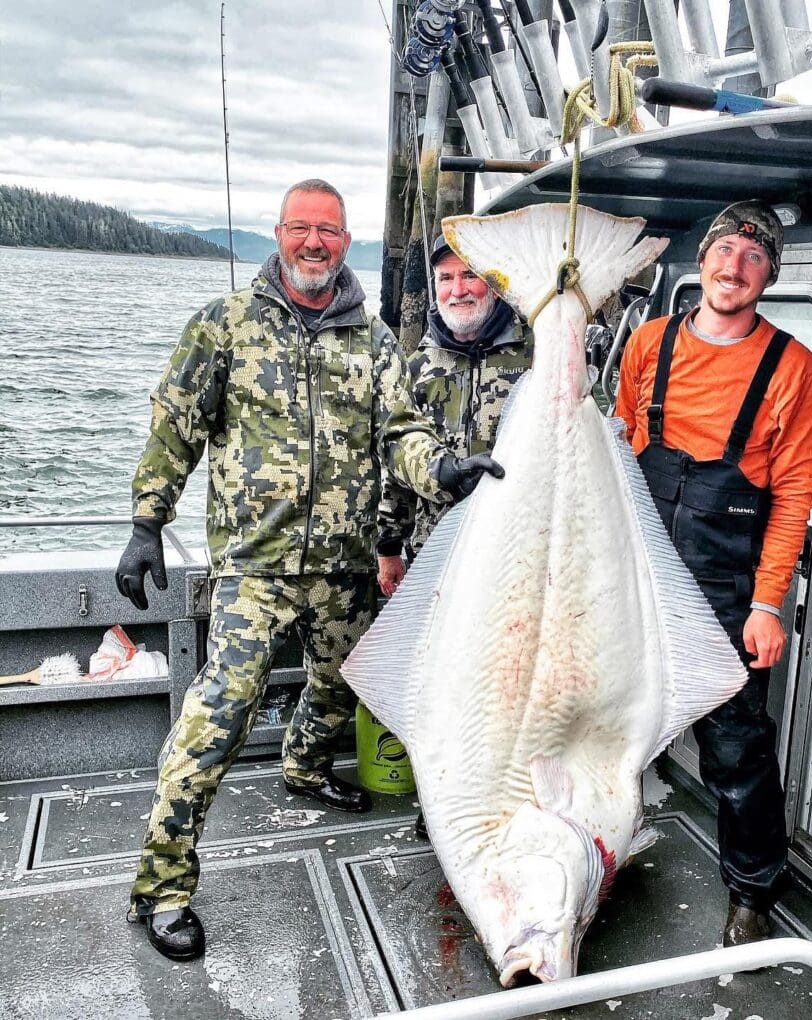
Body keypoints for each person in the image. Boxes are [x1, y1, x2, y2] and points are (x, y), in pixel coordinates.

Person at [115, 179, 501, 962]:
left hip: (343, 565)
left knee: (341, 680)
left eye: (329, 230)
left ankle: (305, 765)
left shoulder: (376, 341)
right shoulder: (224, 325)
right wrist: (145, 525)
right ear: (279, 233)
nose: (316, 243)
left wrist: (443, 472)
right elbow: (176, 427)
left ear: (345, 236)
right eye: (302, 228)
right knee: (215, 720)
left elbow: (402, 432)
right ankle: (161, 886)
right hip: (254, 570)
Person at [614, 199, 812, 948]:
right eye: (723, 251)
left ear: (769, 275)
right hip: (637, 575)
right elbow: (623, 453)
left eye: (753, 256)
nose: (733, 266)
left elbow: (797, 488)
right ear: (701, 261)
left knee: (736, 750)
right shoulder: (647, 343)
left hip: (725, 590)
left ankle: (754, 891)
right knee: (609, 722)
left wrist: (769, 603)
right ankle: (592, 852)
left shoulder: (791, 366)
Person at [375, 237, 534, 838]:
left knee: (506, 682)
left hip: (515, 560)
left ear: (493, 284)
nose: (457, 289)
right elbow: (392, 466)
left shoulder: (535, 359)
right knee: (437, 683)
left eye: (470, 276)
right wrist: (388, 548)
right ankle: (439, 798)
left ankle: (506, 792)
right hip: (434, 560)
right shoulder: (413, 369)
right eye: (445, 279)